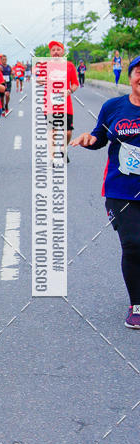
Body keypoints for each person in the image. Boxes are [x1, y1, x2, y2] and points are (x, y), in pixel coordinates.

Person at [71, 54, 140, 329]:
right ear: (130, 76)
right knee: (134, 244)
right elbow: (99, 137)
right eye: (138, 71)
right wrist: (90, 140)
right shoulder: (114, 107)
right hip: (121, 190)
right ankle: (137, 304)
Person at [44, 40, 79, 161]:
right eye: (53, 50)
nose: (56, 52)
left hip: (66, 105)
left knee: (67, 132)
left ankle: (63, 148)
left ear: (63, 51)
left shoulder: (69, 66)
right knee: (52, 131)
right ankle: (52, 157)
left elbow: (75, 83)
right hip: (50, 104)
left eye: (58, 49)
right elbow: (38, 79)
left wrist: (69, 91)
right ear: (50, 53)